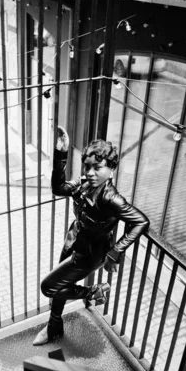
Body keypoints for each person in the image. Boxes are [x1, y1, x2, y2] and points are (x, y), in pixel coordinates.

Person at [33, 126, 150, 346]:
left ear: (111, 170)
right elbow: (59, 189)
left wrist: (115, 253)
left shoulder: (111, 198)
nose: (90, 172)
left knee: (49, 287)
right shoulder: (85, 184)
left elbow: (141, 221)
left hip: (90, 254)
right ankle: (54, 327)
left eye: (98, 168)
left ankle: (94, 292)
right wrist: (61, 153)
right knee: (60, 286)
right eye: (87, 167)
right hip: (74, 241)